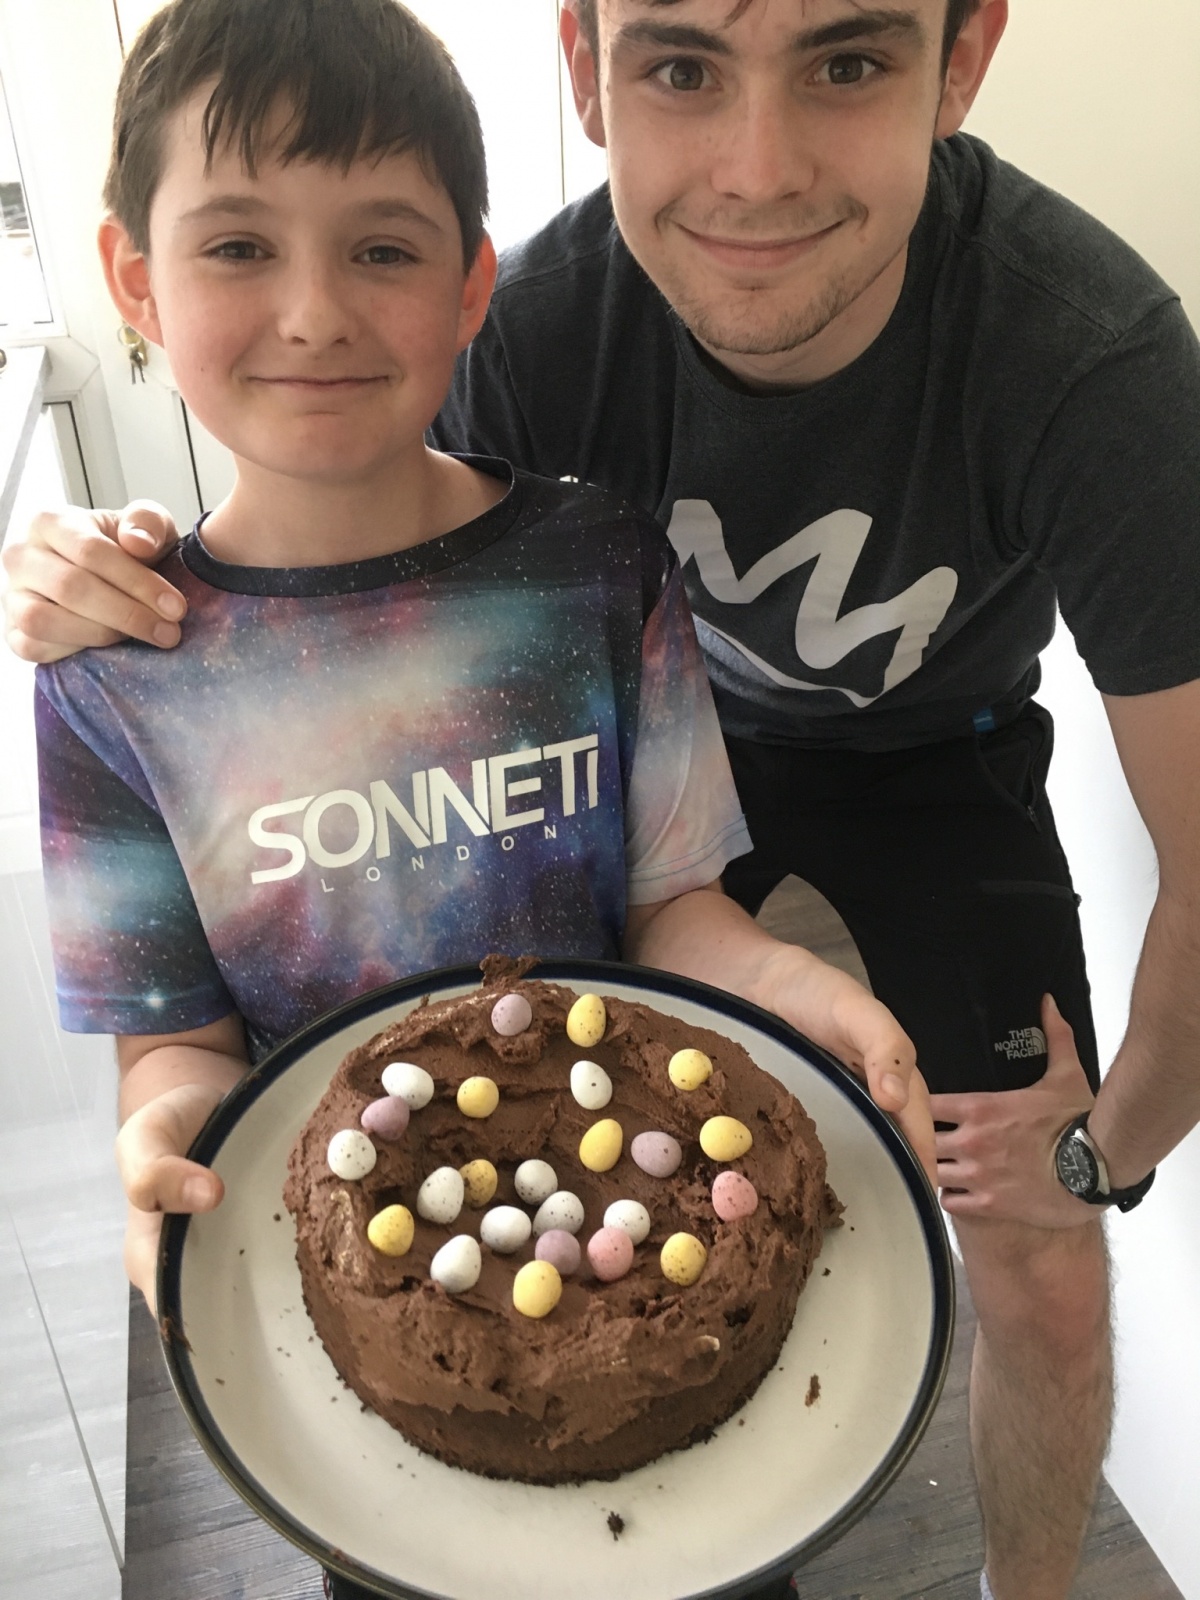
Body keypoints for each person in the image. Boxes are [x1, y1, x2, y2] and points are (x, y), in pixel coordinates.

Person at [8, 1, 1198, 1597]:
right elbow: (340, 528)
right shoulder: (524, 344)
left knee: (1040, 1264)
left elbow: (678, 906)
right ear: (588, 66)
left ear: (960, 60)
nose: (756, 169)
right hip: (599, 837)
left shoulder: (1080, 361)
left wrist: (1104, 1145)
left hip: (934, 751)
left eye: (846, 60)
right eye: (684, 64)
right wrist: (97, 568)